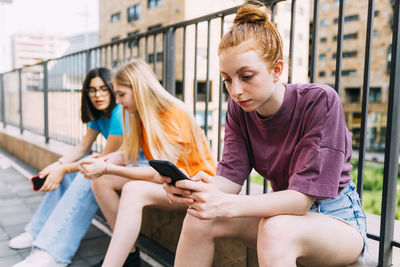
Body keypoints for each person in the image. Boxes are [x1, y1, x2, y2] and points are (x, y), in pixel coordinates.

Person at [163, 2, 368, 267]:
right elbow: (229, 179)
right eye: (227, 79)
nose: (235, 90)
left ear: (277, 70)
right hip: (281, 218)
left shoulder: (320, 101)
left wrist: (223, 204)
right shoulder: (239, 109)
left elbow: (300, 201)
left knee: (275, 228)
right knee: (199, 217)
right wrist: (192, 188)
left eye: (246, 76)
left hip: (337, 223)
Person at [78, 58, 216, 267]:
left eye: (122, 95)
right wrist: (105, 159)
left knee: (133, 190)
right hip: (172, 186)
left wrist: (107, 167)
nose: (118, 101)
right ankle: (130, 256)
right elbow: (130, 153)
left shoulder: (172, 113)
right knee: (101, 182)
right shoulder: (140, 115)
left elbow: (161, 174)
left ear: (139, 90)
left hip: (194, 186)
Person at [9, 67, 141, 267]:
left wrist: (64, 168)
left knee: (87, 175)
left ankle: (53, 251)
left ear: (113, 91)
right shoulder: (98, 115)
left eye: (103, 89)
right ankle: (37, 230)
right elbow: (83, 147)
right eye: (92, 90)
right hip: (114, 164)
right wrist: (57, 166)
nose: (98, 94)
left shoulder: (118, 114)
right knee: (69, 174)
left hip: (133, 168)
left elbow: (103, 160)